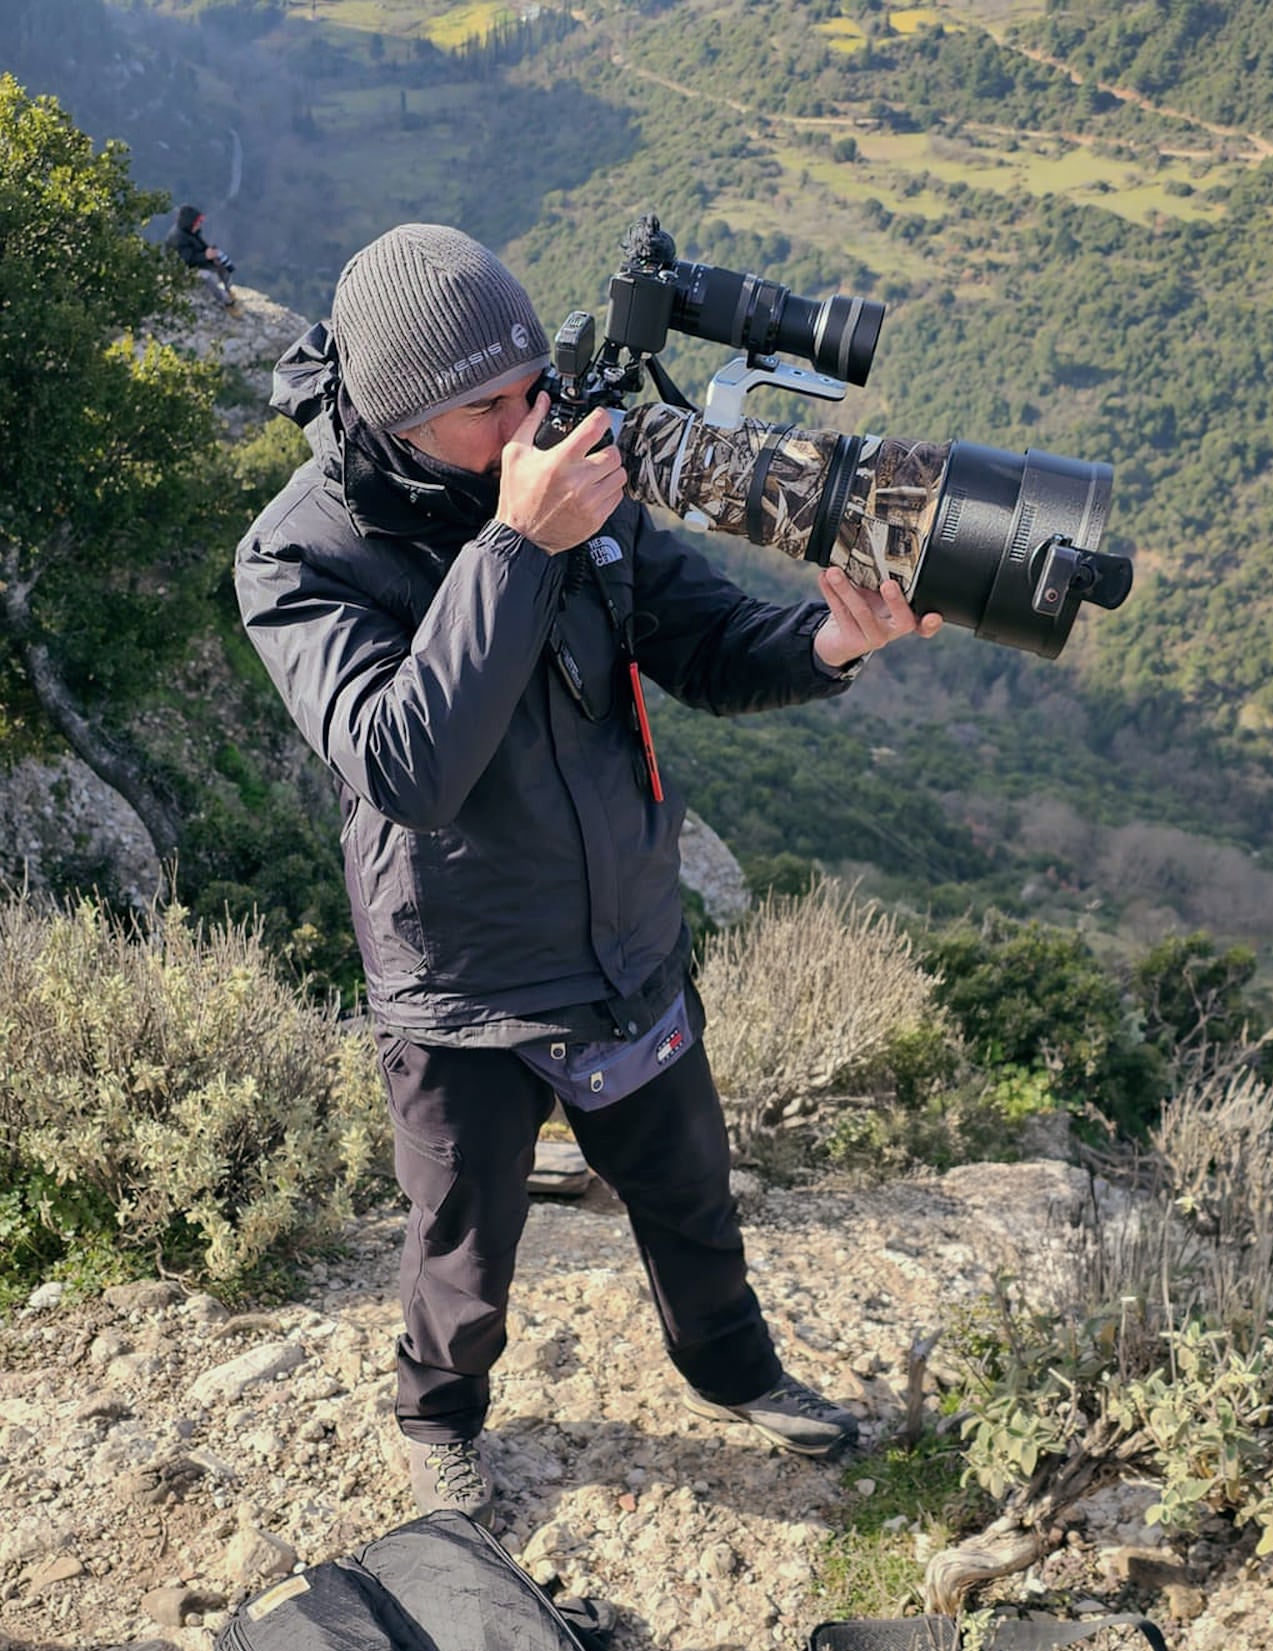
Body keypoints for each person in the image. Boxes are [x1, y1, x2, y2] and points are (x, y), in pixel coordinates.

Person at [235, 223, 941, 1523]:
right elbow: (406, 769)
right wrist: (515, 548)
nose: (532, 424)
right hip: (463, 984)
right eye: (486, 409)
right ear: (397, 418)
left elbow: (713, 644)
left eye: (535, 389)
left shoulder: (577, 475)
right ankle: (438, 1418)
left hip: (626, 943)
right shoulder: (300, 557)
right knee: (462, 1251)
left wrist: (833, 638)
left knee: (690, 1195)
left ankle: (738, 1373)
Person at [166, 203, 236, 306]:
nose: (199, 224)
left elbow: (201, 247)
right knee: (207, 276)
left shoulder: (191, 232)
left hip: (196, 263)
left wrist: (212, 254)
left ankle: (228, 289)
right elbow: (185, 260)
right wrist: (205, 256)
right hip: (182, 270)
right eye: (198, 222)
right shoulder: (178, 238)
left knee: (222, 265)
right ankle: (224, 300)